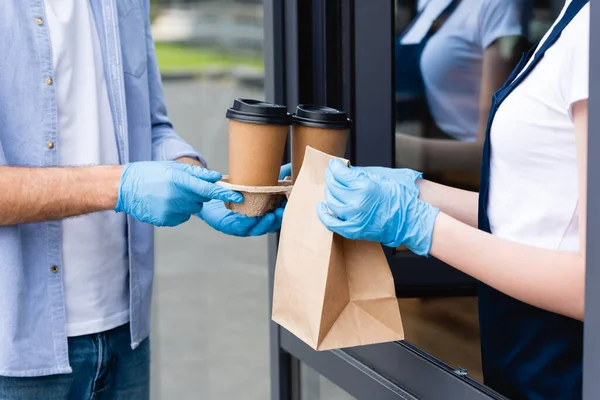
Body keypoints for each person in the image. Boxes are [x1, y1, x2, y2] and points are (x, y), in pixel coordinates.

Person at [0, 1, 287, 398]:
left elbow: (151, 127)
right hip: (14, 360)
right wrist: (120, 185)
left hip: (126, 337)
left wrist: (203, 185)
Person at [319, 0, 589, 398]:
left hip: (566, 363)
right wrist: (414, 192)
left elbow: (590, 287)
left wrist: (421, 224)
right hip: (525, 350)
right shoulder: (575, 17)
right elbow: (536, 216)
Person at [395, 0, 529, 187]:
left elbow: (491, 149)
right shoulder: (426, 4)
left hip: (466, 182)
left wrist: (402, 149)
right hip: (416, 170)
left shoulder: (497, 6)